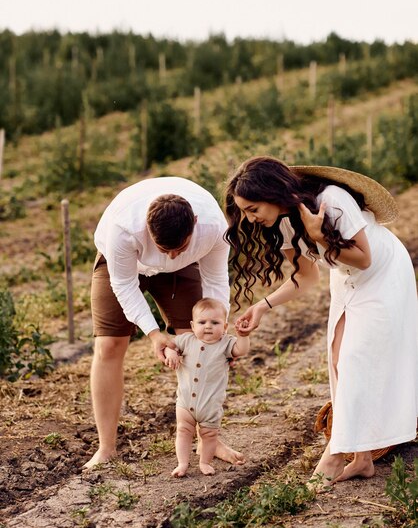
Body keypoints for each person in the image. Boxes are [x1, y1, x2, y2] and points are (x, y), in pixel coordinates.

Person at [224, 155, 418, 489]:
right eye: (244, 211)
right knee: (339, 359)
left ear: (272, 194)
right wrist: (262, 307)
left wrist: (320, 235)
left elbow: (363, 257)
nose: (249, 218)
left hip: (382, 273)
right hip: (346, 278)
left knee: (357, 358)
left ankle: (336, 451)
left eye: (252, 208)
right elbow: (305, 276)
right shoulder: (283, 221)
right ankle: (363, 459)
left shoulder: (331, 200)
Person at [84, 176, 245, 469]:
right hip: (123, 265)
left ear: (194, 223)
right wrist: (154, 333)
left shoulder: (214, 228)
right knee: (108, 346)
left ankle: (209, 440)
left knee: (199, 344)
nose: (170, 255)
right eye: (163, 248)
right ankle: (106, 447)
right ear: (147, 228)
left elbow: (216, 281)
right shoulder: (123, 229)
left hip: (183, 272)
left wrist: (218, 334)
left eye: (178, 248)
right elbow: (124, 285)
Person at [164, 297, 250, 477]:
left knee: (209, 435)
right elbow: (168, 346)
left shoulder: (226, 344)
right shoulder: (185, 340)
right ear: (193, 325)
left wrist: (243, 336)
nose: (208, 326)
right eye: (202, 322)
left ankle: (205, 462)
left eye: (215, 322)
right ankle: (182, 463)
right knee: (183, 431)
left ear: (225, 327)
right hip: (185, 402)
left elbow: (241, 351)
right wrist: (171, 353)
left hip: (210, 405)